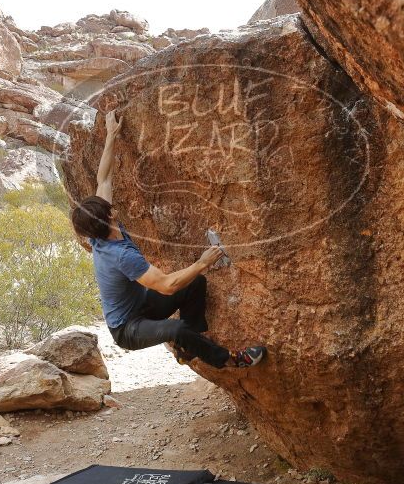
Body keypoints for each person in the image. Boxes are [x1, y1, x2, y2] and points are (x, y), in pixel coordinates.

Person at [71, 109, 265, 369]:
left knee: (195, 285)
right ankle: (232, 360)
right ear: (109, 218)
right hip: (128, 328)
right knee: (177, 328)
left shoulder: (99, 233)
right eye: (109, 208)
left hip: (142, 305)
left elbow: (103, 178)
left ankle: (187, 349)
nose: (111, 206)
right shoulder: (121, 256)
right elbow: (167, 285)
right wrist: (202, 262)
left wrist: (111, 135)